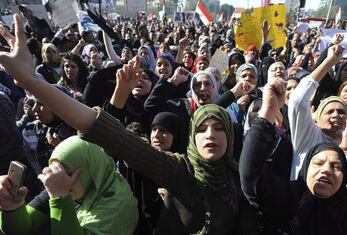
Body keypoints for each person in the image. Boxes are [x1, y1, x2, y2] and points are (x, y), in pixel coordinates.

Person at [0, 16, 258, 233]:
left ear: (232, 135)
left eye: (219, 127)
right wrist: (30, 80)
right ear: (191, 137)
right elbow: (101, 128)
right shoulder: (177, 170)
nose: (211, 134)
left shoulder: (242, 179)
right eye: (201, 129)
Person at [239, 79, 347, 234]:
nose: (326, 170)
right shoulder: (288, 197)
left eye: (336, 166)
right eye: (318, 163)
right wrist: (268, 110)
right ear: (306, 168)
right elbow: (251, 177)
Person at [0, 136, 138, 235]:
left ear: (90, 169)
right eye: (55, 171)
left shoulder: (120, 201)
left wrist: (60, 197)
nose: (60, 179)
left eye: (68, 173)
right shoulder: (58, 185)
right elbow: (21, 229)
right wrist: (12, 207)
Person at [288, 44, 347, 196]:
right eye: (329, 111)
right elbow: (297, 100)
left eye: (341, 112)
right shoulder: (307, 134)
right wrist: (329, 62)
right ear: (317, 117)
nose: (336, 115)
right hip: (299, 207)